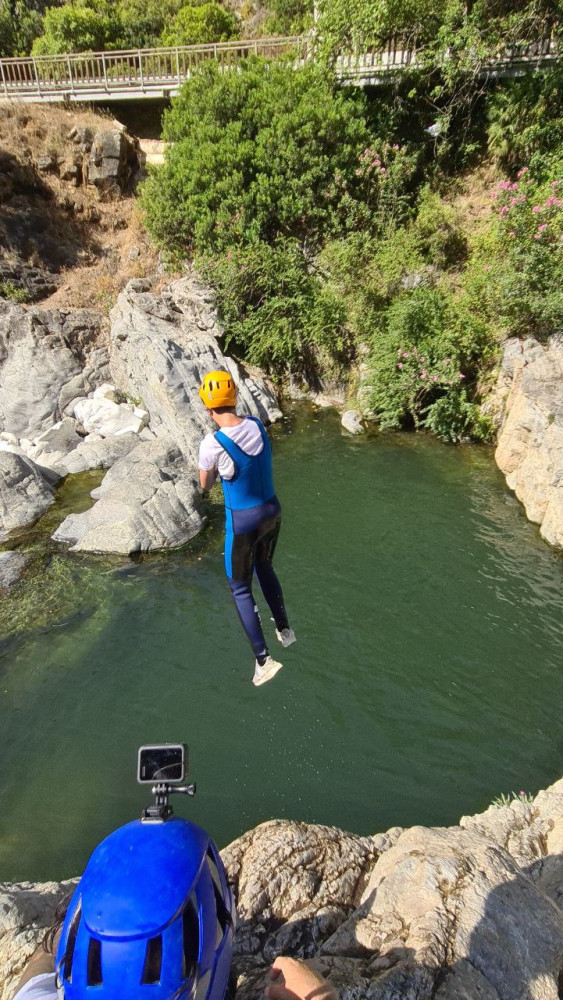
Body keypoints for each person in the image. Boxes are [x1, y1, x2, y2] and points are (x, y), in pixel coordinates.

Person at [198, 370, 296, 687]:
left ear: (208, 408)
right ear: (234, 399)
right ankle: (284, 629)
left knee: (240, 587)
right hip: (273, 512)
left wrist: (211, 475)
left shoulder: (212, 444)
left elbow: (205, 483)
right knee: (264, 565)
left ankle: (263, 661)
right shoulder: (255, 424)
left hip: (244, 522)